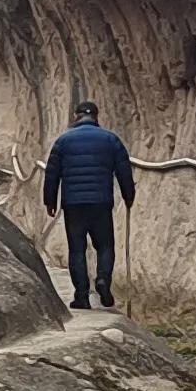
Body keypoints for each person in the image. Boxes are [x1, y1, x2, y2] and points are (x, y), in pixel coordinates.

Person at [41, 94, 136, 310]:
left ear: (76, 117)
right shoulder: (111, 139)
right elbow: (123, 170)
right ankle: (103, 280)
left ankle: (81, 296)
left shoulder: (63, 141)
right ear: (96, 117)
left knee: (77, 249)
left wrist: (49, 200)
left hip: (73, 204)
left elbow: (52, 173)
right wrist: (128, 195)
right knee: (105, 245)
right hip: (101, 202)